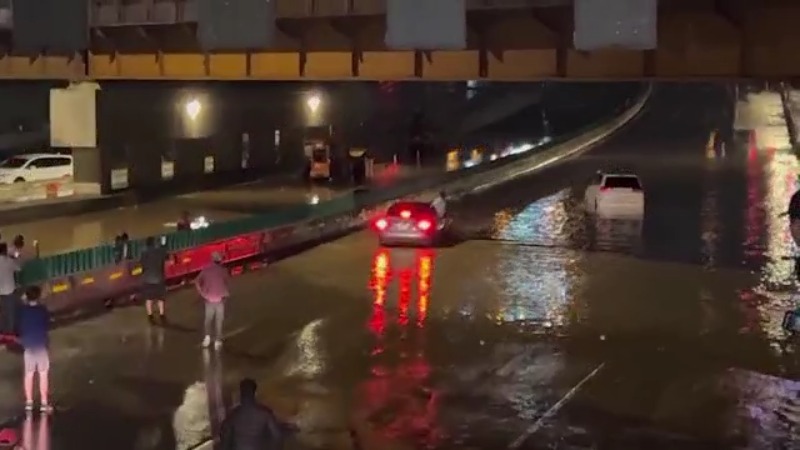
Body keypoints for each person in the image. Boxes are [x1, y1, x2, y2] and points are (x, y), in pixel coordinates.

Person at [219, 378, 286, 450]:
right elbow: (277, 436)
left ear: (240, 393)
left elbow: (225, 439)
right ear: (255, 393)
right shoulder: (265, 413)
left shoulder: (233, 415)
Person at [18, 285, 51, 412]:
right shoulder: (42, 310)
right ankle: (44, 403)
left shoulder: (23, 311)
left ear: (26, 297)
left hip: (28, 346)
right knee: (43, 374)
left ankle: (29, 402)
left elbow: (20, 324)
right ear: (39, 296)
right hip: (41, 346)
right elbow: (47, 323)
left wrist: (23, 300)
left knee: (29, 374)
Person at [195, 252, 230, 348]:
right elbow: (226, 282)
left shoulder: (205, 269)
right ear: (220, 260)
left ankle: (207, 338)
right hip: (220, 299)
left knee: (208, 320)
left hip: (208, 299)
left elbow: (197, 281)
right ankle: (217, 340)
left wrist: (202, 293)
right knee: (219, 320)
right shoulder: (223, 270)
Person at [139, 236, 168, 323]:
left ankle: (150, 316)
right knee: (161, 298)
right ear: (154, 243)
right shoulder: (159, 251)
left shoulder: (144, 253)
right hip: (159, 278)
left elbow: (142, 264)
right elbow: (166, 257)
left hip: (147, 279)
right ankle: (162, 315)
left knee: (149, 299)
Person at [0, 243, 20, 337]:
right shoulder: (9, 261)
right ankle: (10, 332)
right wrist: (15, 258)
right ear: (5, 251)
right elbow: (19, 268)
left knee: (2, 312)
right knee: (10, 312)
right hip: (8, 291)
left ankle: (2, 332)